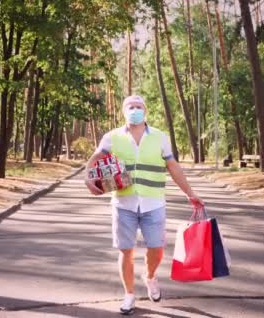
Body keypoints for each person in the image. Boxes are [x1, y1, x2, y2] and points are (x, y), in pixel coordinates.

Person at [84, 95, 204, 315]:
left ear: (145, 111)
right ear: (124, 111)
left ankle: (149, 277)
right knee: (126, 251)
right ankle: (129, 295)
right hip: (123, 204)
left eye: (139, 106)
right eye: (131, 106)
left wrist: (190, 193)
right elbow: (95, 158)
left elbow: (173, 167)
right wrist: (88, 178)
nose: (135, 110)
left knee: (156, 250)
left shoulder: (160, 137)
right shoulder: (112, 137)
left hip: (154, 203)